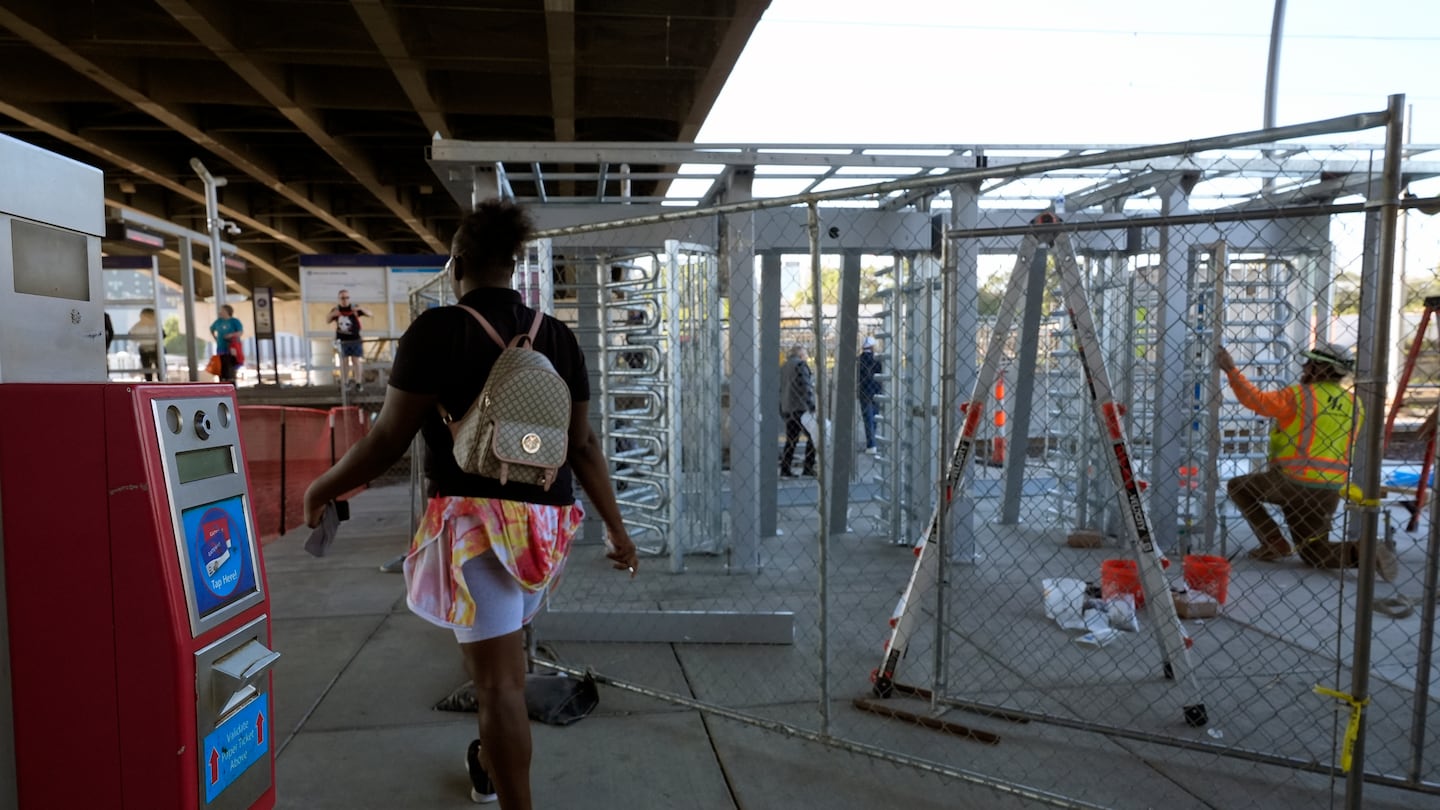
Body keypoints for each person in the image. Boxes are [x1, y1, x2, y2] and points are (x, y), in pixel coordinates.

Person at [302, 200, 638, 809]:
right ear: (513, 266)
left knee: (499, 688)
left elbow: (385, 441)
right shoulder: (558, 336)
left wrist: (321, 488)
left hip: (476, 529)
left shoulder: (438, 330)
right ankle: (488, 764)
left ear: (457, 264)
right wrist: (617, 531)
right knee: (504, 663)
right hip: (546, 526)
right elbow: (583, 445)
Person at [1218, 341, 1395, 580]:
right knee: (1314, 553)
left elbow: (1256, 401)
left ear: (1321, 369)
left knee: (1238, 486)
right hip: (1329, 489)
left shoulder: (1299, 395)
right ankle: (1361, 552)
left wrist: (1230, 369)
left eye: (1310, 363)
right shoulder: (1355, 404)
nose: (1304, 366)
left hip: (1291, 482)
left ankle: (1273, 541)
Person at [779, 344, 817, 477]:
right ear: (800, 354)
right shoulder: (800, 365)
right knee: (813, 436)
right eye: (806, 353)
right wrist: (811, 405)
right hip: (800, 408)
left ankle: (785, 468)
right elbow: (805, 386)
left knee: (791, 440)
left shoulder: (783, 367)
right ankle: (808, 467)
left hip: (787, 408)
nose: (807, 356)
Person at [327, 289, 373, 391]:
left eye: (347, 297)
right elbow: (327, 320)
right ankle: (345, 382)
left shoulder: (354, 308)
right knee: (344, 361)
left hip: (355, 339)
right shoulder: (336, 309)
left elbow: (370, 314)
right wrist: (334, 314)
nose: (345, 300)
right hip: (342, 340)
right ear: (339, 299)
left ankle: (358, 382)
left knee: (356, 360)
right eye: (343, 298)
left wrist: (360, 308)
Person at [856, 335, 882, 453]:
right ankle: (873, 441)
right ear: (872, 347)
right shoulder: (877, 359)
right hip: (876, 390)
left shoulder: (859, 360)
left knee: (867, 418)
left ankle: (871, 444)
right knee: (875, 417)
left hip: (864, 391)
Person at [209, 304, 244, 383]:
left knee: (231, 364)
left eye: (222, 310)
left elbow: (240, 332)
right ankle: (222, 381)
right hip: (221, 346)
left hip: (231, 347)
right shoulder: (218, 321)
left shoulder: (234, 321)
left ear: (227, 312)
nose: (220, 312)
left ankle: (231, 380)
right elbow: (211, 329)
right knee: (221, 365)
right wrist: (215, 338)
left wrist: (231, 335)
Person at [131, 307, 162, 381]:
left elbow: (162, 334)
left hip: (155, 348)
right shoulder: (138, 325)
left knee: (159, 367)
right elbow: (131, 335)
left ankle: (161, 382)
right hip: (144, 348)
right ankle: (149, 382)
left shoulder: (156, 324)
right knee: (147, 369)